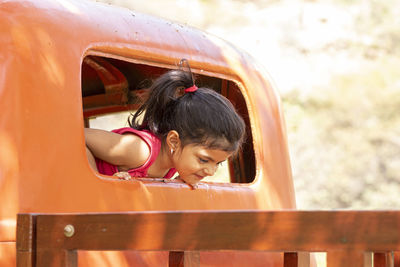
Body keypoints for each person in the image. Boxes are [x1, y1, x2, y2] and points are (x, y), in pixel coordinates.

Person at [85, 59, 245, 188]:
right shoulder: (140, 150)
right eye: (204, 160)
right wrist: (97, 182)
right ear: (174, 141)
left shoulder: (175, 162)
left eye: (218, 163)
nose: (211, 171)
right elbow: (77, 137)